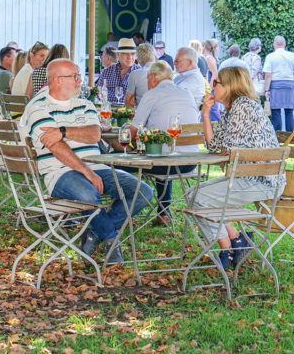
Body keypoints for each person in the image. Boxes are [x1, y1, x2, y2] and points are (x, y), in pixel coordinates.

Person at [21, 59, 154, 263]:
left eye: (78, 76)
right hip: (60, 173)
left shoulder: (85, 104)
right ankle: (111, 241)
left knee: (143, 191)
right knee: (89, 195)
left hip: (98, 166)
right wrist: (85, 170)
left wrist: (63, 131)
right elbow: (56, 147)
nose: (79, 81)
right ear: (57, 80)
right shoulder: (38, 107)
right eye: (73, 76)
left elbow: (94, 134)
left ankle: (94, 233)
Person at [192, 66, 285, 269]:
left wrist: (222, 149)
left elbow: (223, 149)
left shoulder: (244, 106)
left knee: (198, 198)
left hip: (262, 180)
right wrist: (206, 115)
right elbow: (215, 147)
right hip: (245, 178)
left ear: (229, 86)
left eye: (216, 83)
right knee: (194, 195)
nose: (212, 86)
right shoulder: (231, 109)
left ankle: (227, 249)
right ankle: (236, 241)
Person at [131, 61, 199, 224]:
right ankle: (163, 213)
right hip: (191, 162)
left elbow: (133, 131)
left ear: (153, 77)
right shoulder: (186, 93)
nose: (147, 83)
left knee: (115, 163)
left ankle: (121, 210)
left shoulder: (152, 94)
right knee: (162, 153)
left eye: (148, 79)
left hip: (163, 162)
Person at [263, 36, 294, 132]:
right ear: (285, 44)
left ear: (274, 44)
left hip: (275, 85)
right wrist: (293, 83)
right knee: (289, 112)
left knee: (276, 111)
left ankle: (278, 137)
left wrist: (267, 89)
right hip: (289, 84)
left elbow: (268, 75)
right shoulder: (293, 56)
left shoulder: (270, 57)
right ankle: (289, 138)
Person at [96, 38, 140, 106]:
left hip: (132, 114)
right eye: (125, 53)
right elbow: (98, 93)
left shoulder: (141, 74)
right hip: (108, 113)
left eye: (132, 54)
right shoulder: (106, 72)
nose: (130, 57)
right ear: (118, 55)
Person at [124, 43, 157, 107]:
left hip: (143, 114)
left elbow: (128, 102)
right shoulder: (166, 71)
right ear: (154, 56)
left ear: (138, 60)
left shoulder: (135, 74)